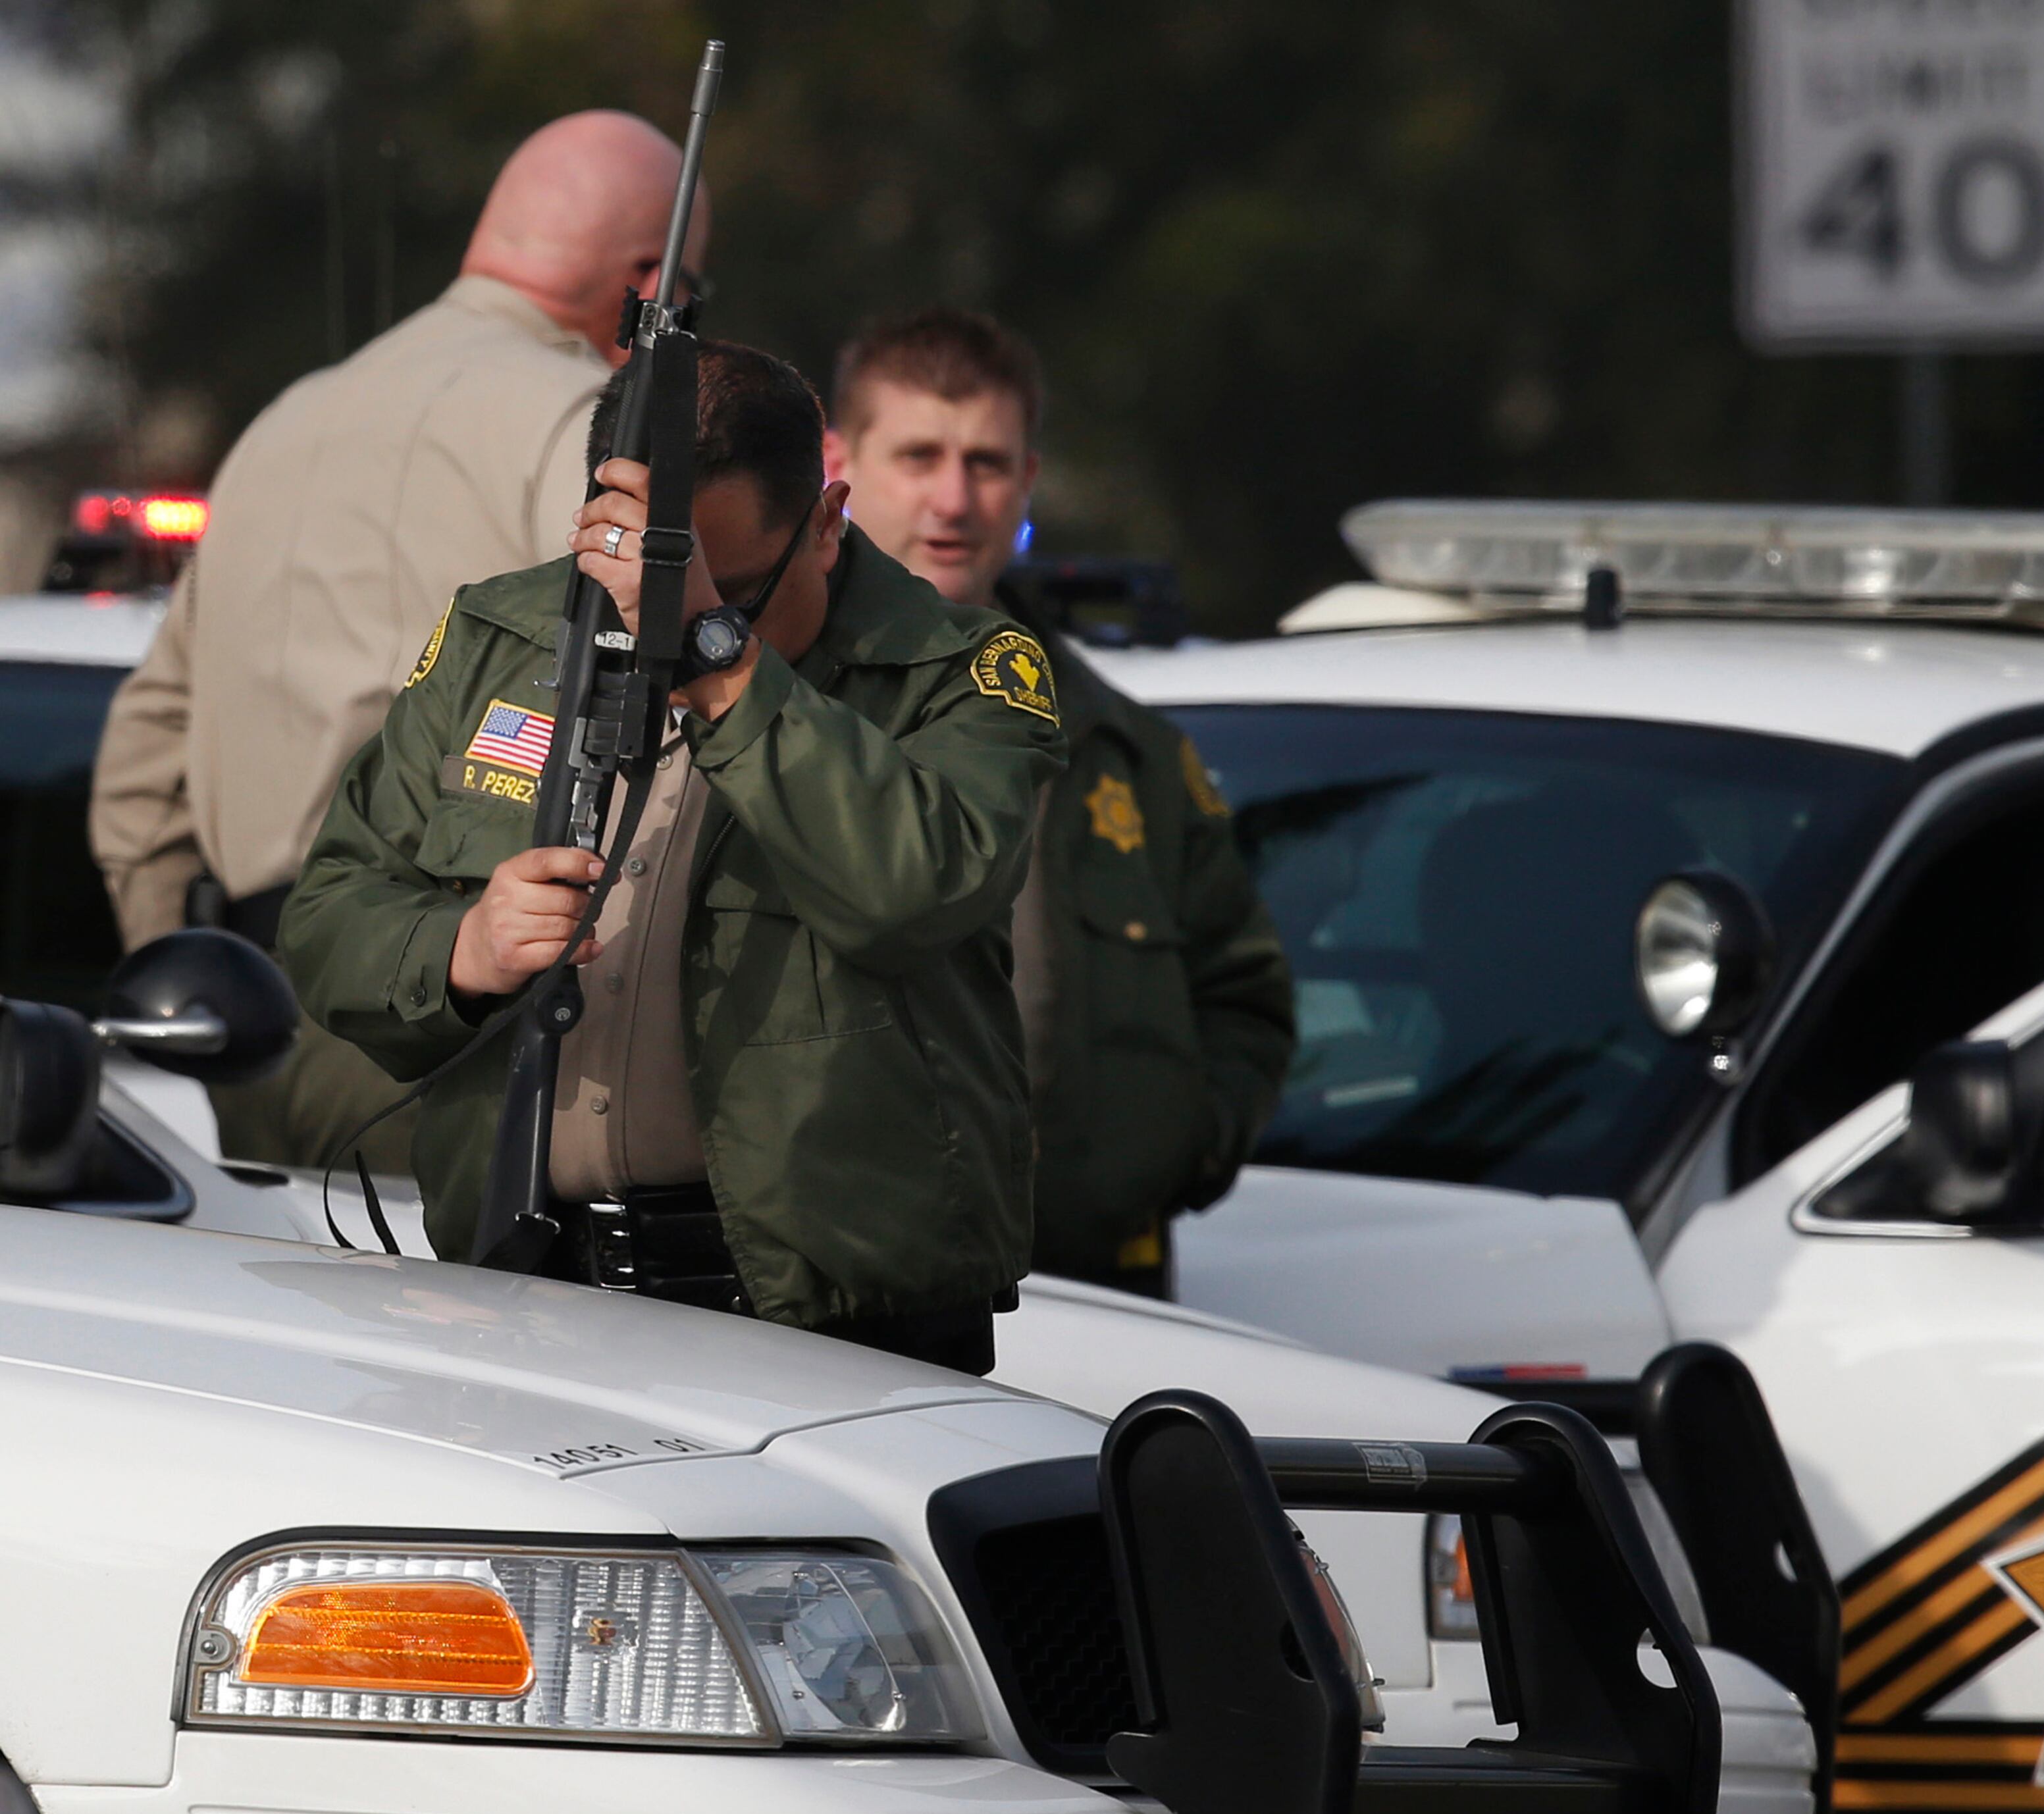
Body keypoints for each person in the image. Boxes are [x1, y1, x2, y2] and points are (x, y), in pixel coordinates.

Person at [279, 341, 1062, 1375]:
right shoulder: (500, 637)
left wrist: (718, 655)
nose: (658, 622)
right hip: (527, 1284)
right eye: (639, 580)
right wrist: (463, 949)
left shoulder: (957, 673)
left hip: (830, 1321)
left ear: (829, 524)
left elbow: (917, 891)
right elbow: (327, 914)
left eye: (730, 586)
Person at [89, 110, 708, 1173]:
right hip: (438, 1031)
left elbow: (143, 761)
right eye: (694, 293)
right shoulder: (589, 429)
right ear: (648, 280)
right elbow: (674, 735)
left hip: (245, 1038)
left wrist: (202, 985)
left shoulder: (284, 423)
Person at [824, 308, 1292, 1297]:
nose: (954, 499)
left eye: (987, 463)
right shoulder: (766, 711)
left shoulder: (1128, 747)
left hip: (1092, 1282)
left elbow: (1244, 994)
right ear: (840, 460)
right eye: (918, 455)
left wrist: (1160, 1157)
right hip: (841, 1283)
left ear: (1028, 479)